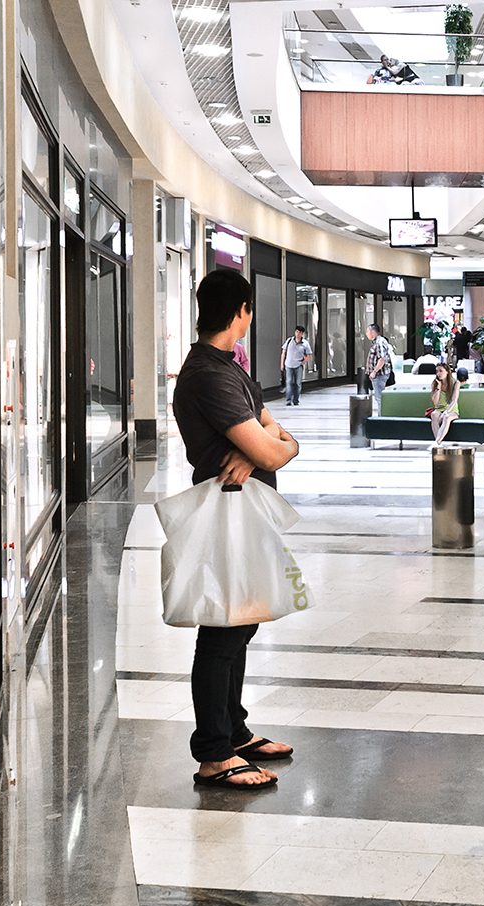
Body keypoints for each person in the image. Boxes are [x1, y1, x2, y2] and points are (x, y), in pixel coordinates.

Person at [172, 269, 300, 790]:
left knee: (241, 624)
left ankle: (234, 731)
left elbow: (274, 429)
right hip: (225, 513)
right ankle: (213, 752)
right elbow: (275, 445)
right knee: (223, 631)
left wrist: (267, 446)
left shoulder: (230, 368)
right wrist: (269, 448)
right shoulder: (208, 373)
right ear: (242, 310)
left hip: (247, 509)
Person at [279, 325, 313, 406]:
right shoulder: (289, 341)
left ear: (302, 334)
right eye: (297, 332)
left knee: (298, 383)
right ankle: (288, 400)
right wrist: (282, 364)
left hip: (298, 365)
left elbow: (309, 355)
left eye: (300, 332)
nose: (298, 334)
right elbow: (283, 353)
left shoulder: (305, 343)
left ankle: (296, 400)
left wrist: (303, 362)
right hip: (288, 364)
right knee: (289, 382)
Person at [428, 363, 461, 445]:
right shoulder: (435, 383)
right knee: (434, 415)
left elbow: (454, 400)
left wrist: (447, 411)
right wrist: (438, 387)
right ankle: (438, 443)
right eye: (437, 371)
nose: (438, 374)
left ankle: (437, 442)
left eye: (441, 371)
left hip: (451, 409)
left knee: (446, 417)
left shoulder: (456, 383)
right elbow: (435, 403)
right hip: (439, 408)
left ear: (447, 372)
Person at [365, 323, 394, 414]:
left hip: (380, 375)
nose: (366, 333)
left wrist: (374, 372)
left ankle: (381, 418)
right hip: (379, 375)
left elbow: (382, 359)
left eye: (367, 331)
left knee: (379, 398)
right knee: (379, 398)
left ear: (372, 332)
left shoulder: (379, 343)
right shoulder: (378, 342)